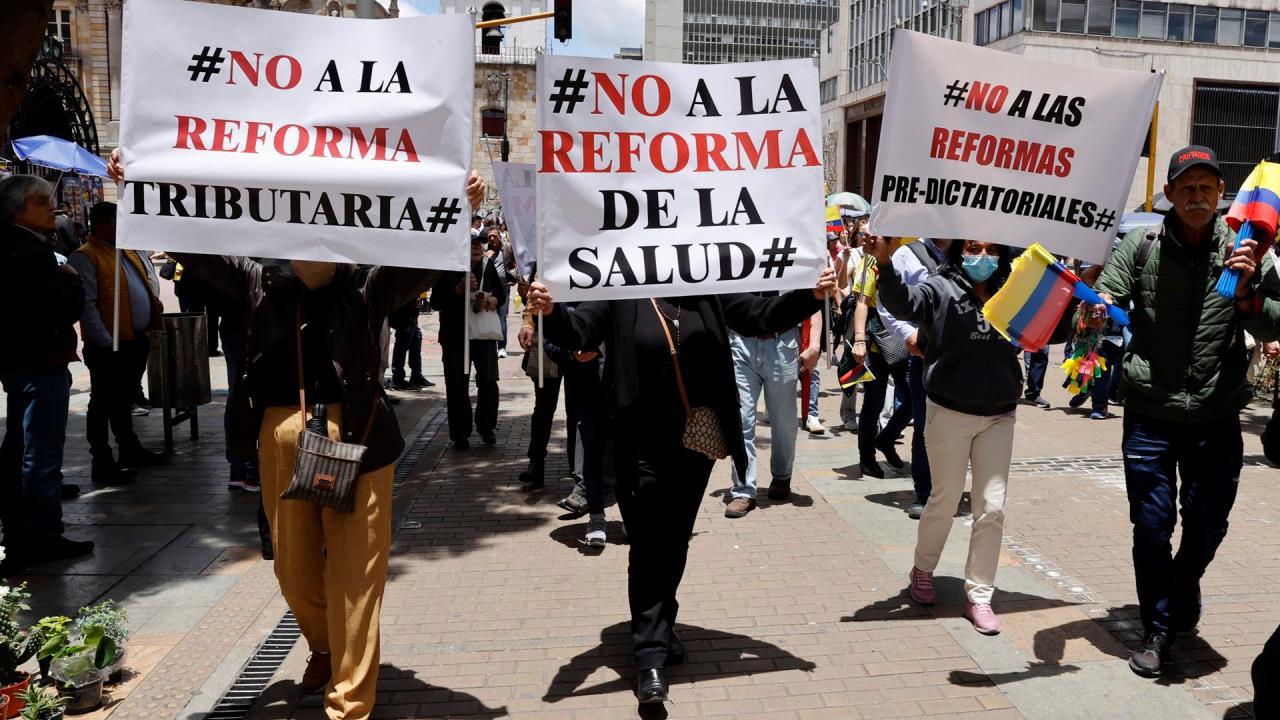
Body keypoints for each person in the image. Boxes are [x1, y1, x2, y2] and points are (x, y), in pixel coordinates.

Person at [110, 150, 485, 719]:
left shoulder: (371, 285)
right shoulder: (254, 278)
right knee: (293, 568)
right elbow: (190, 244)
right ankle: (325, 645)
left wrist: (459, 207)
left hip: (360, 439)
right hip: (282, 435)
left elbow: (430, 257)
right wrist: (139, 184)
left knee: (356, 573)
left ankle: (350, 701)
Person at [527, 268, 834, 705]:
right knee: (648, 542)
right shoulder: (619, 284)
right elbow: (581, 330)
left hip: (695, 439)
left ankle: (661, 622)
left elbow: (759, 315)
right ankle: (649, 655)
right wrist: (551, 311)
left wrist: (809, 295)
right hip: (636, 442)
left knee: (673, 540)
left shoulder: (707, 283)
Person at [1091, 145, 1280, 678]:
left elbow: (1274, 325)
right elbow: (1109, 292)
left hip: (1218, 416)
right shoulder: (1141, 244)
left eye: (1207, 187)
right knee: (1151, 526)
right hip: (1151, 413)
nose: (1197, 197)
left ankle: (1185, 581)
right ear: (1169, 194)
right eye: (1186, 187)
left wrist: (1246, 297)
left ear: (1221, 195)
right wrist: (1096, 303)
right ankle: (1157, 628)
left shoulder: (1248, 250)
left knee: (1206, 524)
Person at [876, 237, 1034, 636]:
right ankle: (923, 569)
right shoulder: (940, 287)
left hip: (999, 415)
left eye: (993, 250)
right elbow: (902, 304)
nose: (983, 257)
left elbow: (1047, 329)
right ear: (961, 249)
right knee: (944, 500)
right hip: (949, 412)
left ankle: (979, 595)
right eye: (974, 248)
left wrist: (1077, 291)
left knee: (991, 507)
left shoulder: (1013, 291)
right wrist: (884, 264)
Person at [0, 174, 95, 571]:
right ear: (17, 211)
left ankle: (21, 533)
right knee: (39, 454)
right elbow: (60, 309)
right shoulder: (28, 252)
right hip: (39, 364)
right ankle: (41, 537)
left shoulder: (19, 245)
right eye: (42, 201)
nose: (52, 206)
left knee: (21, 450)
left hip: (23, 363)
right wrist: (72, 283)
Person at [66, 202, 166, 484]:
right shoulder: (85, 256)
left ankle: (129, 448)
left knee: (122, 400)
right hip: (108, 346)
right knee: (102, 402)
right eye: (119, 222)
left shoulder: (125, 251)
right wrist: (106, 341)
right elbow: (87, 305)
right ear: (103, 225)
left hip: (134, 340)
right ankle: (102, 459)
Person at [725, 294, 819, 518]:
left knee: (784, 421)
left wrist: (815, 344)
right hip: (741, 342)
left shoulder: (791, 258)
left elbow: (813, 296)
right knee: (741, 420)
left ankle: (782, 476)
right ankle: (743, 490)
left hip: (782, 343)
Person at [878, 237, 948, 519]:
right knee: (924, 423)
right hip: (924, 355)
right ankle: (925, 491)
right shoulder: (908, 254)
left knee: (958, 424)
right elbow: (886, 303)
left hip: (961, 356)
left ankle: (948, 488)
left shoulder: (969, 251)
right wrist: (908, 335)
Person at [432, 234, 506, 449]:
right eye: (472, 242)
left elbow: (500, 296)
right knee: (457, 384)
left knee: (488, 380)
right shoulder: (448, 266)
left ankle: (486, 427)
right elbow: (436, 301)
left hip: (483, 335)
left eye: (479, 243)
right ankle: (460, 433)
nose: (477, 246)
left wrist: (492, 301)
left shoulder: (488, 265)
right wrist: (457, 290)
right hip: (455, 335)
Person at [850, 226, 912, 478]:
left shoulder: (909, 256)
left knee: (912, 400)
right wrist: (860, 340)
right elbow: (862, 303)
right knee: (873, 402)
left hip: (907, 337)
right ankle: (866, 458)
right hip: (878, 341)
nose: (869, 240)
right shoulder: (870, 262)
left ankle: (886, 439)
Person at [387, 298, 431, 390]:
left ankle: (416, 376)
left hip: (412, 312)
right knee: (402, 346)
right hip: (404, 314)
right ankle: (398, 380)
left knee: (416, 341)